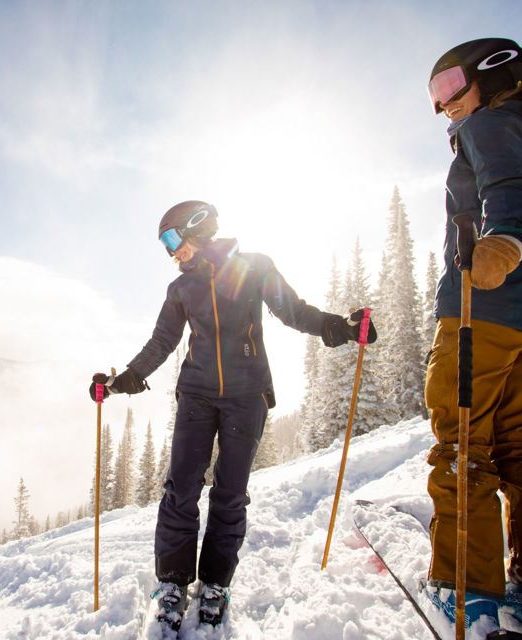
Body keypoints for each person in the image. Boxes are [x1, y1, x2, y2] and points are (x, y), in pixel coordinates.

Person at [89, 200, 376, 631]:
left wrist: (342, 328)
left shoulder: (254, 267)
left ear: (197, 228)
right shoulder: (180, 289)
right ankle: (171, 583)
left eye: (172, 239)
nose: (171, 253)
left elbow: (293, 312)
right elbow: (162, 342)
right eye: (164, 245)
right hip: (196, 395)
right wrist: (122, 380)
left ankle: (215, 583)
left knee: (230, 492)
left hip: (247, 396)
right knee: (181, 488)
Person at [424, 37, 522, 636]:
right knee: (520, 442)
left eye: (448, 87)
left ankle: (466, 585)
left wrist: (505, 240)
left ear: (493, 74)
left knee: (462, 443)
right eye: (435, 95)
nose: (442, 104)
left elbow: (509, 192)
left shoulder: (494, 124)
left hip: (486, 309)